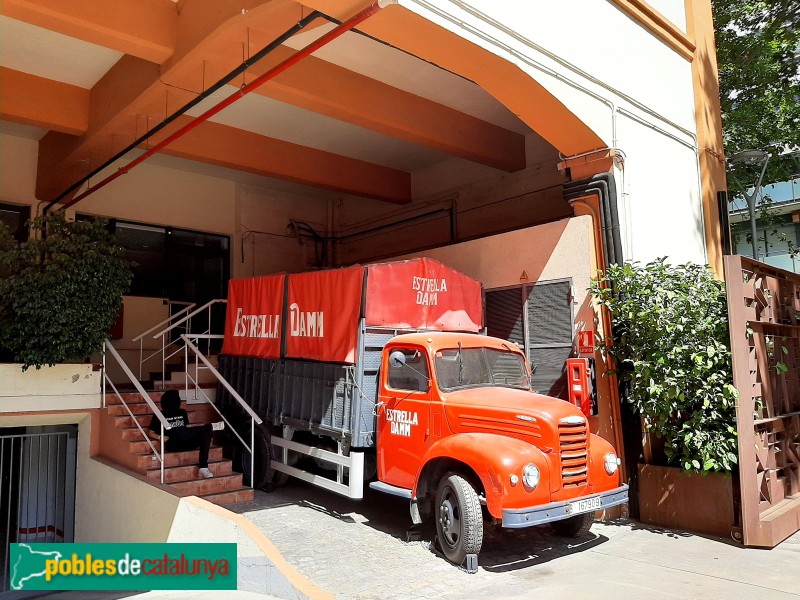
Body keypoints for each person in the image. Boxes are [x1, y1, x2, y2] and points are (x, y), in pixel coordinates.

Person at [146, 389, 224, 478]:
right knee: (180, 431)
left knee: (206, 434)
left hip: (187, 441)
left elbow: (187, 430)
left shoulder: (182, 412)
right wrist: (160, 437)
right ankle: (210, 426)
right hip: (174, 444)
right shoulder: (159, 414)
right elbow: (150, 433)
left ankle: (203, 467)